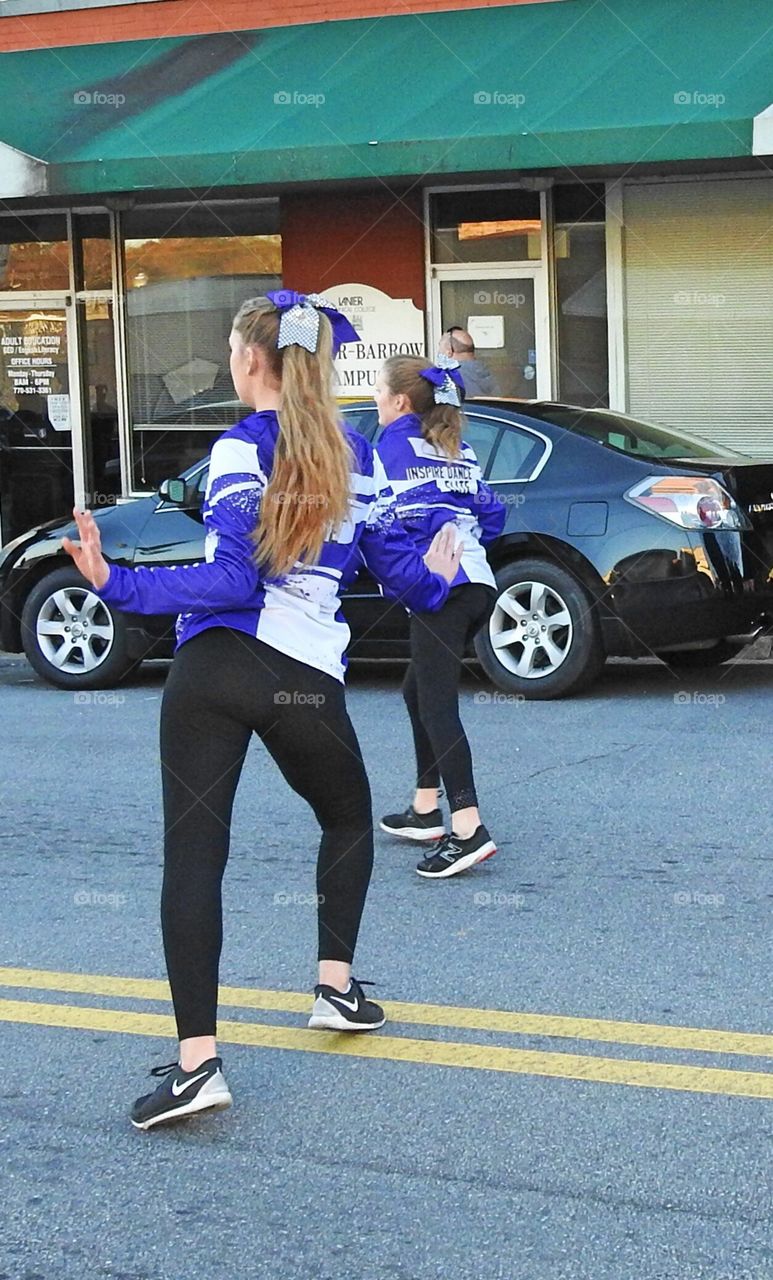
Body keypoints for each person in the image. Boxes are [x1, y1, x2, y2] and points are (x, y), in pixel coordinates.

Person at [63, 292, 462, 1130]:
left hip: (211, 671)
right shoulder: (356, 456)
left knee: (195, 857)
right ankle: (334, 987)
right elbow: (407, 583)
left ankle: (197, 1064)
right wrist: (444, 570)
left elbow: (230, 580)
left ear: (251, 361)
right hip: (299, 679)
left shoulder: (240, 447)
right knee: (349, 817)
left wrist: (116, 583)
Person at [374, 354, 506, 878]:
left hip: (440, 589)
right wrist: (466, 545)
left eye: (379, 392)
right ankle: (426, 809)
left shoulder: (389, 444)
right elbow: (492, 512)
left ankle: (469, 828)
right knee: (417, 692)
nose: (376, 401)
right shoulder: (457, 445)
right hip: (477, 586)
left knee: (437, 706)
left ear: (400, 401)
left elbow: (382, 515)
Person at [438, 326, 500, 396]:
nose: (439, 352)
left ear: (449, 352)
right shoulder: (489, 374)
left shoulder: (448, 379)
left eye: (440, 347)